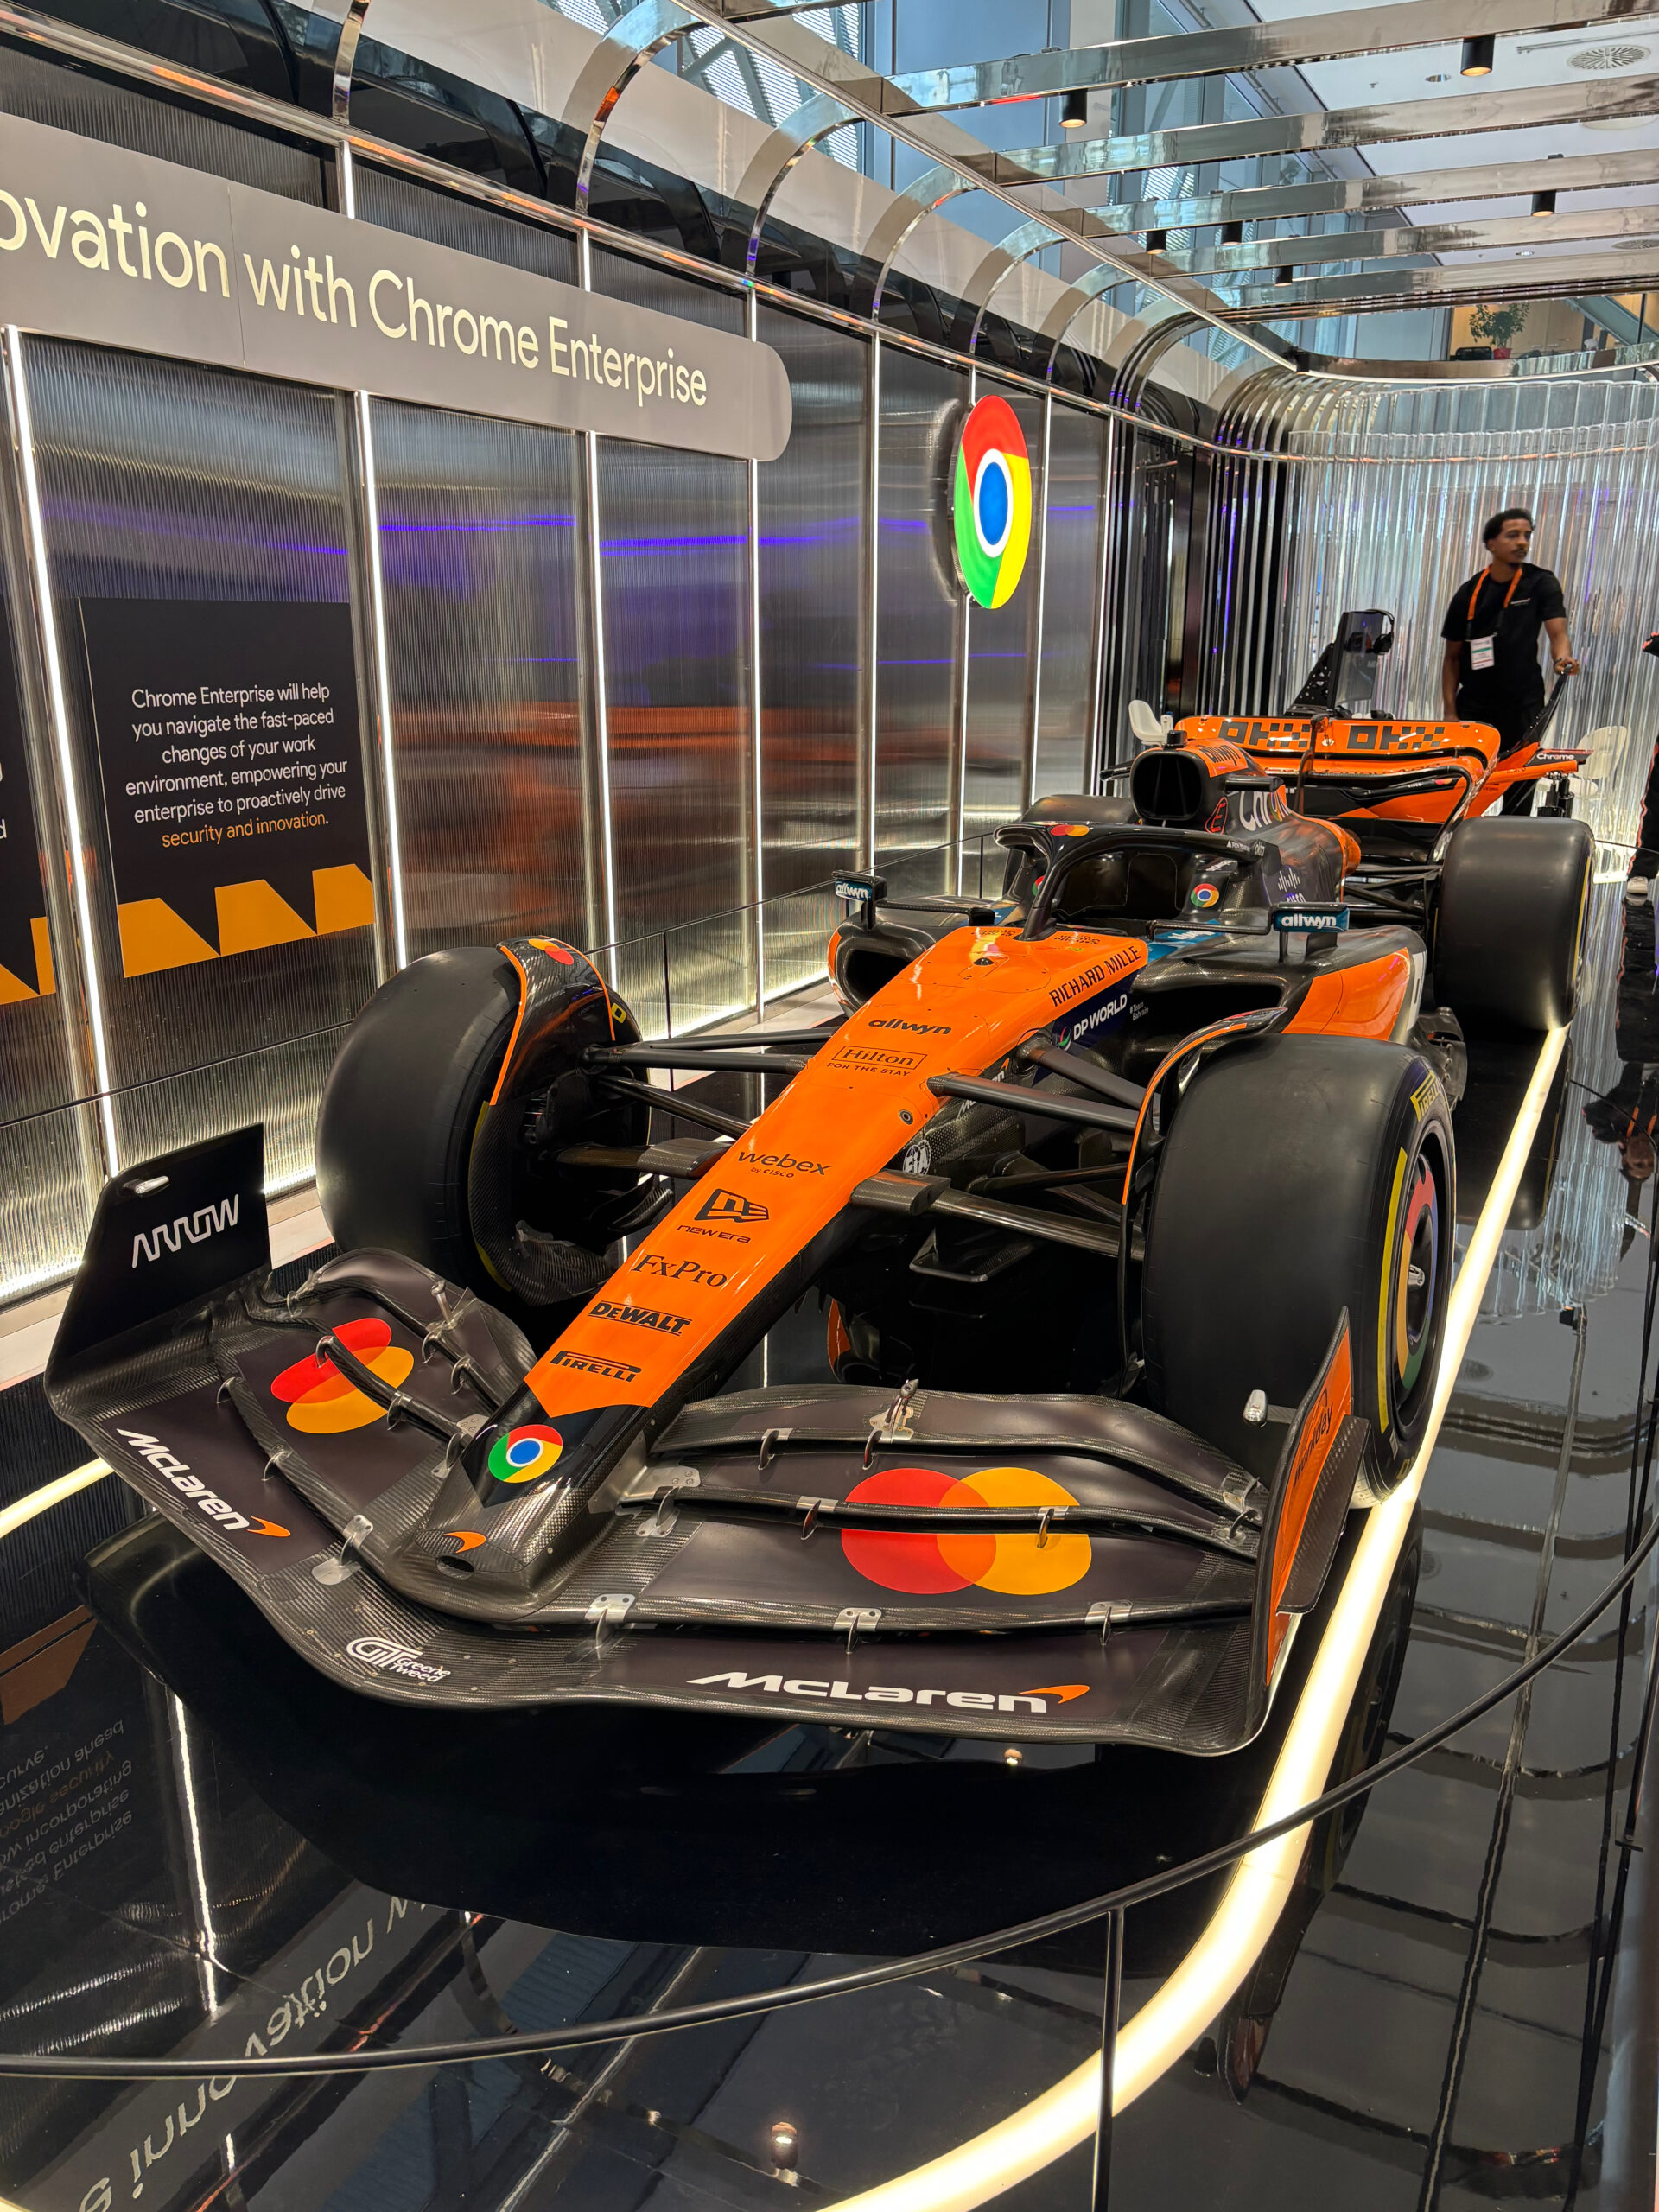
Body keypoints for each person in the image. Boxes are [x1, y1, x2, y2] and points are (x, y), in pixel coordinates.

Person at [1440, 507, 1579, 814]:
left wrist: (1562, 657)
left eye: (1527, 535)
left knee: (1518, 792)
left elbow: (1557, 632)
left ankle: (1510, 850)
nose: (1522, 543)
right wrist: (1450, 713)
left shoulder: (1540, 583)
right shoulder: (1469, 593)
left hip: (1523, 705)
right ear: (1491, 543)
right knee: (1464, 791)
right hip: (1475, 707)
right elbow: (1451, 659)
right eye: (1512, 535)